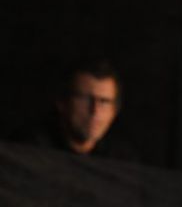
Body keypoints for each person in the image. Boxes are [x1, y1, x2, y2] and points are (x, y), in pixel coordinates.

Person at [8, 60, 138, 161]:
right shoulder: (28, 148)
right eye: (85, 99)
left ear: (114, 111)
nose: (95, 111)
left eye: (104, 102)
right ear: (62, 102)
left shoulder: (121, 158)